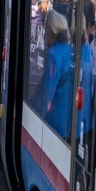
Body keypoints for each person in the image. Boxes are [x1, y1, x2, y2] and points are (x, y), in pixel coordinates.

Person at [42, 9, 73, 139]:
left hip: (54, 123)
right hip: (67, 122)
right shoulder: (69, 50)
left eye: (45, 30)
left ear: (51, 32)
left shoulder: (53, 55)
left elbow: (47, 96)